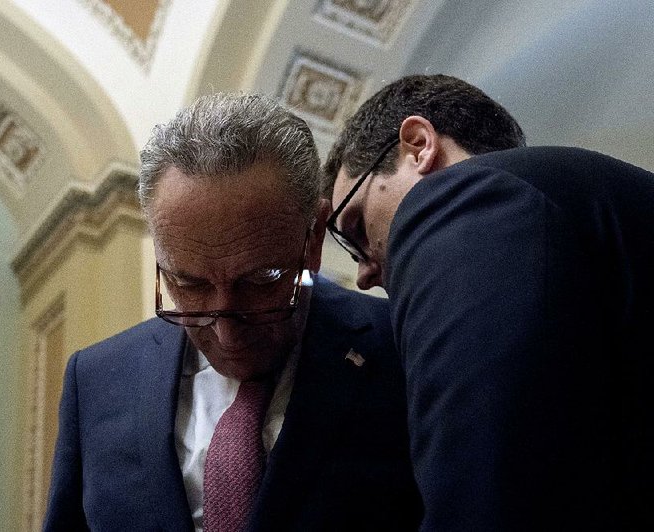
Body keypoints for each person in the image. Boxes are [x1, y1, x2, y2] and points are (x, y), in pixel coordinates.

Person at [44, 93, 422, 531]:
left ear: (314, 237)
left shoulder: (402, 348)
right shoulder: (97, 379)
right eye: (188, 284)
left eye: (262, 280)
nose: (225, 332)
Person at [324, 73, 654, 531]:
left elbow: (485, 493)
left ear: (419, 145)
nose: (363, 275)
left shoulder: (461, 202)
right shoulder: (570, 203)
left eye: (355, 228)